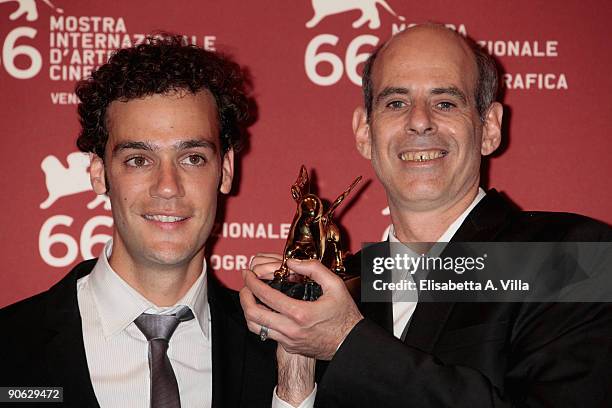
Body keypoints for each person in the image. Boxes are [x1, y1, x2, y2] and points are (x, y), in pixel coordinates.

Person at [240, 24, 612, 406]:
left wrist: (347, 343)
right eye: (396, 103)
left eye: (445, 103)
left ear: (490, 128)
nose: (419, 121)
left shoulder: (571, 259)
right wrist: (296, 373)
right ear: (364, 132)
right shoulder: (343, 288)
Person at [0, 35, 313, 408]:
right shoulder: (8, 347)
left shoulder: (286, 352)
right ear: (99, 173)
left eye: (193, 158)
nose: (167, 187)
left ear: (225, 170)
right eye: (138, 160)